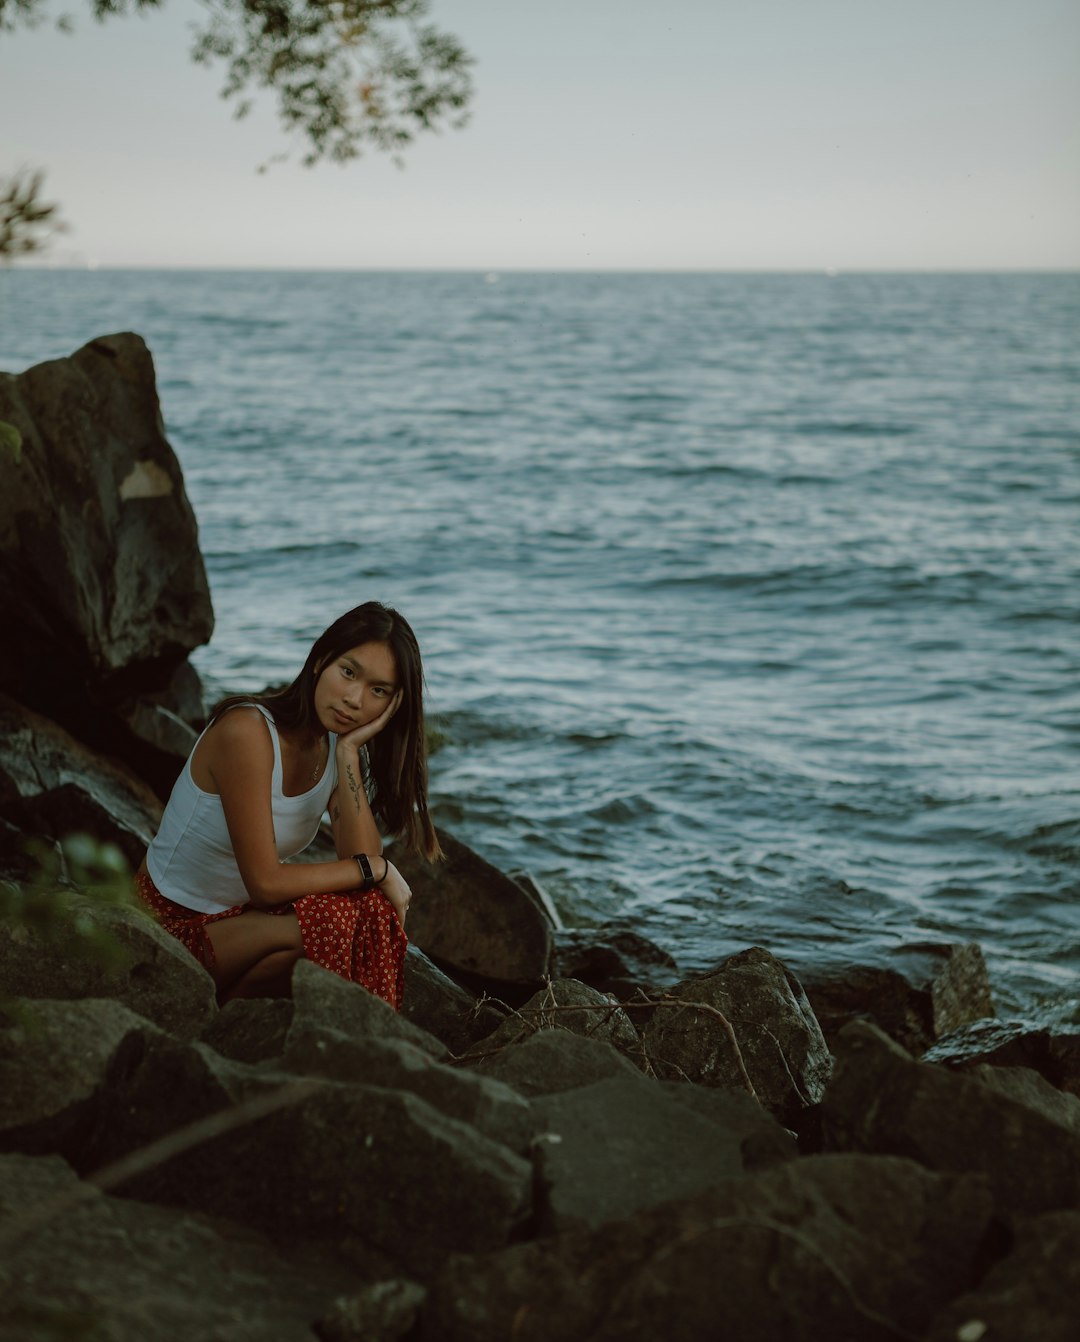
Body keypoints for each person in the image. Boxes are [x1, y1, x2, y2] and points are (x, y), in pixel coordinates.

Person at [135, 602, 442, 1010]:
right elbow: (266, 884)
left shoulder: (335, 746)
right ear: (319, 662)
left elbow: (359, 860)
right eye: (348, 672)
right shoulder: (248, 731)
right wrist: (380, 869)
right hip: (168, 928)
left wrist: (349, 753)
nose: (354, 699)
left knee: (367, 905)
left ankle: (224, 1021)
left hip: (238, 921)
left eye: (378, 691)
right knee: (337, 920)